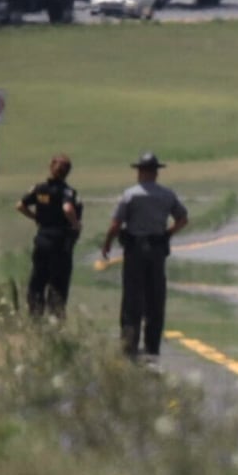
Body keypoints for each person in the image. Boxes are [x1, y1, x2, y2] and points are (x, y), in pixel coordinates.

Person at [101, 151, 189, 365]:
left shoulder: (130, 195)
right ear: (156, 172)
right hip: (157, 249)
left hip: (135, 250)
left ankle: (129, 345)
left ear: (140, 171)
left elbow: (116, 224)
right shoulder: (167, 195)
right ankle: (152, 345)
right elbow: (182, 218)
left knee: (132, 297)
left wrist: (107, 244)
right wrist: (167, 233)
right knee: (155, 297)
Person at [16, 154, 81, 318]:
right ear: (67, 172)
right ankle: (55, 319)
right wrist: (76, 224)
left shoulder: (39, 189)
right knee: (58, 284)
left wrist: (35, 217)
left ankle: (35, 318)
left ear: (51, 168)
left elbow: (20, 205)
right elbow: (67, 208)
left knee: (38, 280)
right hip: (60, 243)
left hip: (42, 239)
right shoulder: (67, 191)